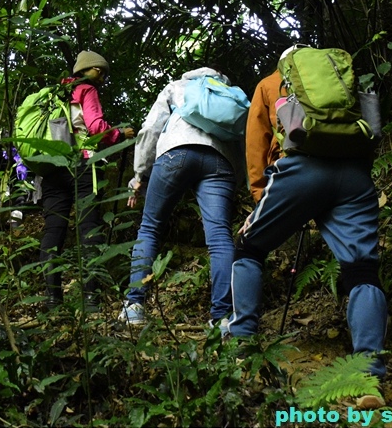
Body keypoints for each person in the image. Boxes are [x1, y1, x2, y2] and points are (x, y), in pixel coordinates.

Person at [228, 60, 388, 410]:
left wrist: (259, 200)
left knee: (249, 248)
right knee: (362, 270)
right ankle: (369, 377)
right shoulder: (343, 84)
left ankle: (241, 347)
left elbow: (257, 142)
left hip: (302, 170)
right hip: (355, 175)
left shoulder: (273, 82)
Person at [120, 68, 245, 328]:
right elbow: (241, 140)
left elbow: (151, 128)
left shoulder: (178, 86)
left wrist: (140, 173)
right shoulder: (230, 95)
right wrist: (238, 179)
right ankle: (221, 318)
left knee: (150, 228)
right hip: (220, 161)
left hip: (175, 153)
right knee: (220, 238)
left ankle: (134, 306)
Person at [39, 50, 135, 309]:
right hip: (81, 164)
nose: (101, 75)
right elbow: (95, 128)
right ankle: (91, 298)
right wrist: (119, 134)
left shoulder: (54, 94)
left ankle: (52, 299)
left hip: (51, 166)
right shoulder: (87, 90)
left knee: (53, 230)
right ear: (83, 71)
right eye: (98, 70)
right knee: (89, 228)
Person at [245, 70, 283, 203]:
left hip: (290, 165)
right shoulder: (333, 80)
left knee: (280, 222)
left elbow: (257, 141)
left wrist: (259, 191)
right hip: (342, 164)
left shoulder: (268, 84)